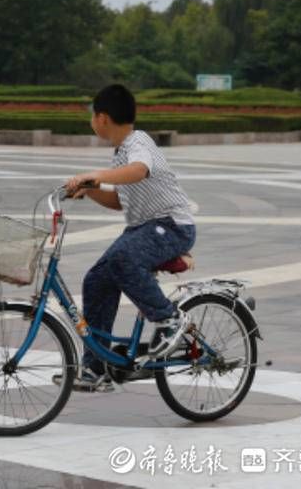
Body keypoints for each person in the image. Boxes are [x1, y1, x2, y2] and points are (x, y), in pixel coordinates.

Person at [64, 84, 196, 392]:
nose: (92, 120)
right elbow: (120, 201)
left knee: (123, 259)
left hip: (171, 226)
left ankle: (170, 321)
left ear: (103, 118)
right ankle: (96, 368)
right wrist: (91, 189)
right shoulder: (120, 152)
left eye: (92, 115)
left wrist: (94, 175)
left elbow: (139, 171)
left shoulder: (138, 143)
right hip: (144, 228)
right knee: (96, 280)